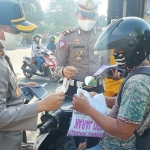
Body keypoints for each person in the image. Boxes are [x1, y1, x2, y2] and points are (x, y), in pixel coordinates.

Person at [72, 17, 150, 150]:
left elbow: (123, 131)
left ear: (134, 47)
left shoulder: (137, 83)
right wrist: (100, 98)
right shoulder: (143, 71)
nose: (115, 54)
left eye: (119, 49)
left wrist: (87, 109)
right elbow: (127, 103)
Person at [0, 1, 64, 150]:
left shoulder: (2, 54)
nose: (20, 35)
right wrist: (40, 106)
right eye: (16, 30)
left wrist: (20, 86)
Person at [55, 0, 110, 149]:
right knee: (72, 134)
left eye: (91, 16)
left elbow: (106, 64)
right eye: (84, 16)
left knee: (96, 132)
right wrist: (63, 71)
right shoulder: (66, 37)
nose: (87, 20)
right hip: (74, 92)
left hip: (97, 91)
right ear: (77, 14)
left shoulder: (103, 35)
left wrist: (112, 73)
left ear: (97, 16)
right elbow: (56, 68)